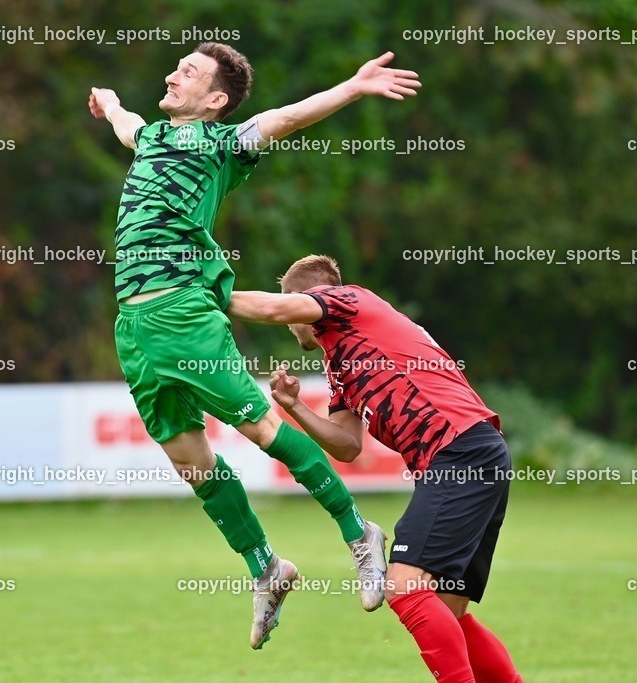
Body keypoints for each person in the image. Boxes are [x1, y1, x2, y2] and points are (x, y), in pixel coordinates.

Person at [89, 43, 421, 649]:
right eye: (177, 67)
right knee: (191, 462)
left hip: (183, 312)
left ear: (216, 99)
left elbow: (287, 118)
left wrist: (353, 86)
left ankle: (358, 532)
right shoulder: (152, 138)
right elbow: (127, 125)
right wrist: (110, 103)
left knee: (263, 429)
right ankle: (266, 567)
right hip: (133, 328)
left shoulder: (221, 143)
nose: (173, 75)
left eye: (188, 72)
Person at [227, 255, 524, 682]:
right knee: (446, 609)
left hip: (460, 453)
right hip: (475, 453)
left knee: (404, 586)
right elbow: (348, 446)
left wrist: (200, 293)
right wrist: (295, 407)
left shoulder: (349, 301)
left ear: (306, 298)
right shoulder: (339, 360)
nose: (290, 327)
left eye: (292, 311)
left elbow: (273, 310)